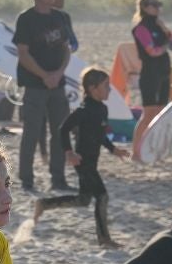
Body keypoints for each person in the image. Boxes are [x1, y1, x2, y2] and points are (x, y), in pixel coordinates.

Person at [33, 69, 128, 247]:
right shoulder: (84, 110)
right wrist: (69, 152)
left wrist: (113, 149)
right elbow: (63, 129)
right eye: (106, 86)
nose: (110, 90)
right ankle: (104, 239)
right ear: (93, 89)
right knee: (102, 196)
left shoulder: (102, 109)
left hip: (92, 160)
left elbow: (100, 135)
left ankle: (44, 204)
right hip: (82, 161)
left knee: (83, 200)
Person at [12, 0, 74, 192]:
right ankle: (27, 180)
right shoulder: (26, 19)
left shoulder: (59, 17)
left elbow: (67, 48)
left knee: (60, 133)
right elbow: (23, 53)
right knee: (32, 132)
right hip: (35, 85)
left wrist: (58, 73)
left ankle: (58, 178)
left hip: (58, 84)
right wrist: (44, 75)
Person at [128, 0, 172, 159]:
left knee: (160, 113)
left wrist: (165, 30)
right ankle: (136, 151)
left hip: (164, 72)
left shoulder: (159, 25)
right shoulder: (141, 28)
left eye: (159, 5)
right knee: (148, 113)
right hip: (150, 74)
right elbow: (152, 51)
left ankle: (155, 148)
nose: (157, 8)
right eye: (154, 5)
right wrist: (165, 46)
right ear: (144, 7)